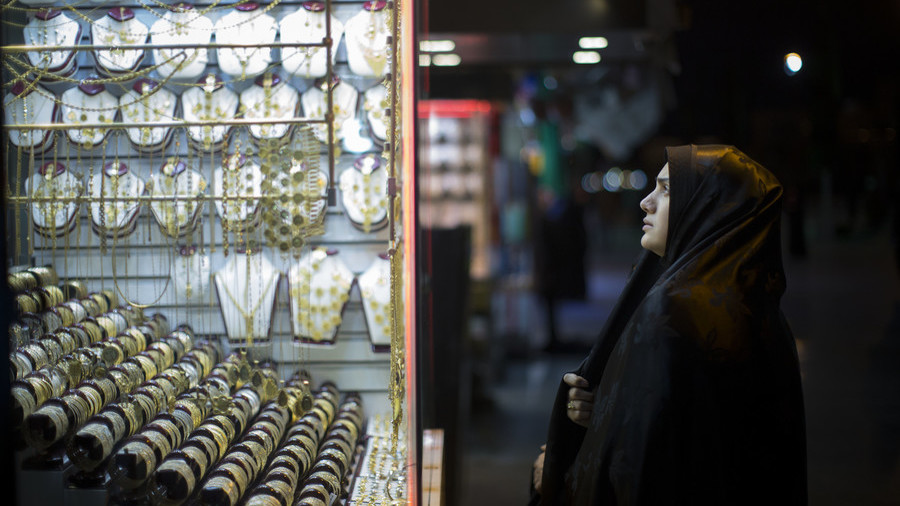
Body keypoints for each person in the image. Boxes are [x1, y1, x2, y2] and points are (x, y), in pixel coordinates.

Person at [530, 145, 807, 505]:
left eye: (666, 190)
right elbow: (698, 436)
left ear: (707, 207)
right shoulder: (762, 315)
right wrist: (606, 413)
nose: (646, 202)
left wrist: (556, 474)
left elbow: (643, 473)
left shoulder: (672, 311)